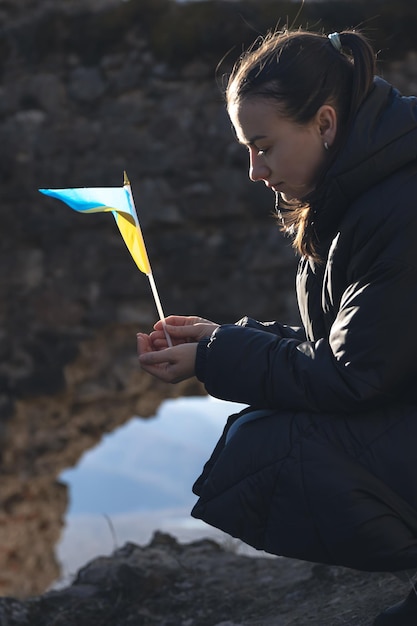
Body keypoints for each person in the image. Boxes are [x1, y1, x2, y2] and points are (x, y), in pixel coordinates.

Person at [137, 28, 417, 625]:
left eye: (263, 146)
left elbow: (352, 378)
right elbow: (356, 351)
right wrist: (215, 340)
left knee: (270, 449)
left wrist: (214, 361)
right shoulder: (362, 193)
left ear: (324, 123)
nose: (254, 171)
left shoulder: (399, 206)